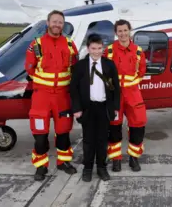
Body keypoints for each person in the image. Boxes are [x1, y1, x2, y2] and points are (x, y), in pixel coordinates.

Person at [25, 10, 79, 181]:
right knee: (40, 135)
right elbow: (29, 68)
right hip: (42, 97)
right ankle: (41, 166)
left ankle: (63, 162)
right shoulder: (36, 44)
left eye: (60, 22)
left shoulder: (70, 45)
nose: (57, 25)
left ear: (63, 25)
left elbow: (75, 70)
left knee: (63, 132)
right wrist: (44, 85)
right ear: (48, 23)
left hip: (62, 97)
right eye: (54, 21)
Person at [69, 34, 121, 182]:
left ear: (103, 48)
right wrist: (77, 109)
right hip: (87, 108)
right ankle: (87, 168)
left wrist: (115, 107)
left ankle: (101, 168)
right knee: (88, 140)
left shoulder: (109, 65)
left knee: (102, 140)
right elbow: (74, 89)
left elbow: (116, 88)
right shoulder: (80, 66)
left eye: (99, 48)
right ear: (88, 48)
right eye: (93, 48)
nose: (97, 51)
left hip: (104, 107)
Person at [104, 19, 147, 172]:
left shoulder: (138, 52)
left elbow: (141, 72)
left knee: (138, 125)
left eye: (125, 30)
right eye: (120, 31)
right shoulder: (108, 51)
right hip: (115, 95)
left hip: (133, 94)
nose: (123, 33)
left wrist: (131, 85)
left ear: (130, 31)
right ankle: (116, 159)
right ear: (116, 33)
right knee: (114, 127)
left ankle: (134, 159)